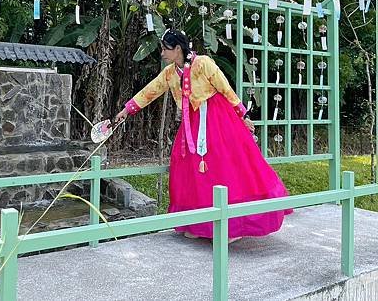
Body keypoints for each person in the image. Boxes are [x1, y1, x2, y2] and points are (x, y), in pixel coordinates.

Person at [115, 29, 291, 240]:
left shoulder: (203, 63)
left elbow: (225, 88)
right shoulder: (170, 73)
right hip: (192, 123)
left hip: (217, 118)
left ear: (177, 49)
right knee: (188, 167)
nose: (162, 53)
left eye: (165, 49)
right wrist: (127, 110)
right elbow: (150, 91)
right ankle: (198, 222)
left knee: (222, 165)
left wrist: (242, 115)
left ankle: (232, 224)